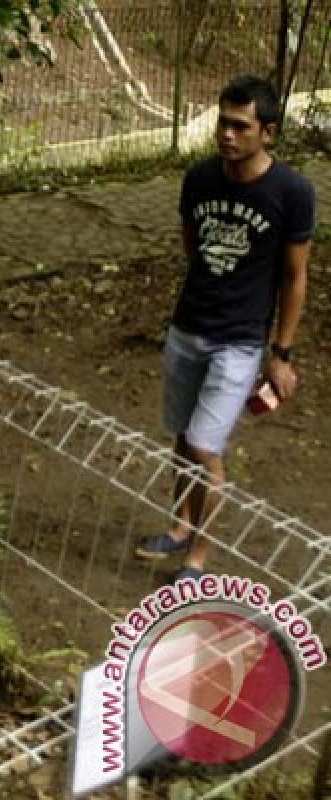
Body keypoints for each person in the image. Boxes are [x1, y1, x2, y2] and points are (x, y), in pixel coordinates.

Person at [135, 75, 313, 581]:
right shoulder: (199, 179)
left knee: (205, 446)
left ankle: (197, 561)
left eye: (241, 126)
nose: (227, 135)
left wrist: (282, 353)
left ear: (268, 134)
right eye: (223, 122)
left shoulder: (292, 192)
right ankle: (179, 525)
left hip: (239, 342)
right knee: (182, 438)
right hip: (188, 328)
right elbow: (194, 247)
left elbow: (295, 277)